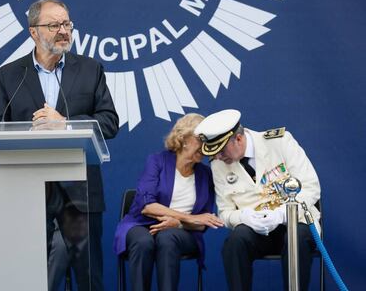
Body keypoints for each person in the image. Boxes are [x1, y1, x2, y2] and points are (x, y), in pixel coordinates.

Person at [0, 0, 119, 291]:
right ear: (33, 32)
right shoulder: (11, 76)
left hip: (78, 201)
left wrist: (66, 124)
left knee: (88, 280)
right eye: (54, 25)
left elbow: (109, 122)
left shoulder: (90, 69)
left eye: (67, 24)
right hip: (25, 198)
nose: (63, 31)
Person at [194, 109, 321, 291]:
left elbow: (311, 186)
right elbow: (225, 212)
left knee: (297, 237)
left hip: (296, 222)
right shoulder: (219, 164)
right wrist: (245, 217)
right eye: (214, 153)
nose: (218, 157)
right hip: (259, 231)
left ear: (238, 139)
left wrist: (282, 214)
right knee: (234, 242)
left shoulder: (280, 142)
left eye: (221, 151)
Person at [113, 113, 224, 291]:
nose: (205, 146)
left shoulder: (205, 174)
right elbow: (147, 207)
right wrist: (186, 218)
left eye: (207, 141)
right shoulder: (157, 161)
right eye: (200, 140)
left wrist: (179, 224)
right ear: (184, 139)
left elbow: (202, 223)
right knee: (143, 242)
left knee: (167, 238)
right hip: (142, 224)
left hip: (181, 232)